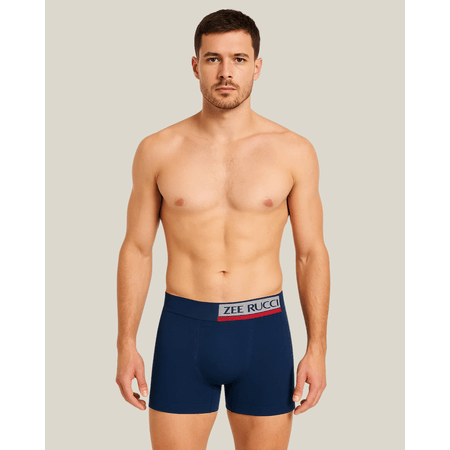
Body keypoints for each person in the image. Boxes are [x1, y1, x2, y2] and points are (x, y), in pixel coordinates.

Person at [115, 8, 330, 450]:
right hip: (183, 330)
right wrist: (125, 342)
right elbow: (137, 249)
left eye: (238, 59)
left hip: (264, 331)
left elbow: (310, 253)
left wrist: (317, 348)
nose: (225, 72)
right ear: (196, 66)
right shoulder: (158, 149)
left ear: (257, 66)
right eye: (213, 59)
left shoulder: (294, 151)